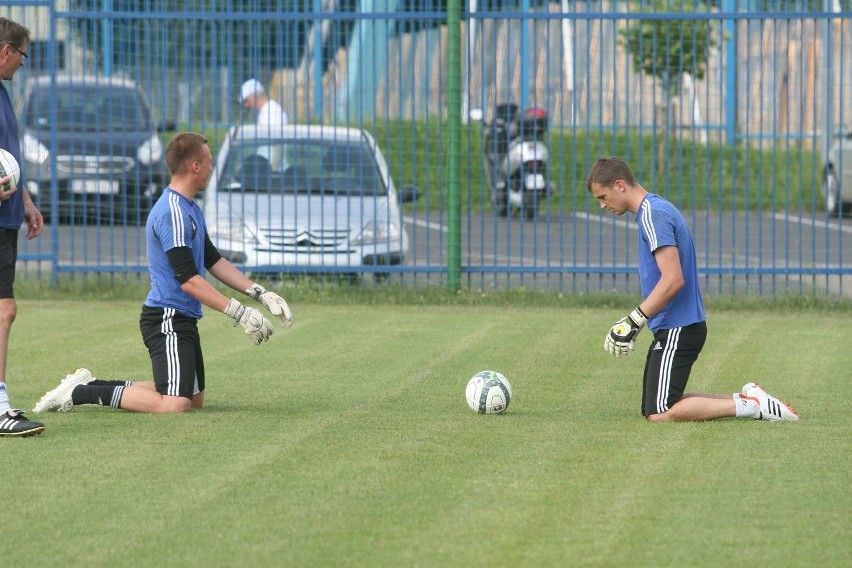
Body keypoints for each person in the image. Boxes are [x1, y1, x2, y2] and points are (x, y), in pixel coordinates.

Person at [33, 132, 294, 414]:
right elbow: (188, 280)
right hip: (166, 318)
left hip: (182, 318)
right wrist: (239, 313)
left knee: (193, 400)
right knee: (174, 404)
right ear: (195, 165)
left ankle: (89, 383)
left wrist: (259, 293)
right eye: (209, 162)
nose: (212, 168)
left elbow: (212, 260)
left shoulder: (189, 207)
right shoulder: (172, 211)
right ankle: (80, 392)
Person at [587, 156, 799, 422]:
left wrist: (634, 320)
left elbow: (673, 279)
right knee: (657, 404)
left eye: (603, 196)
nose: (602, 204)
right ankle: (747, 398)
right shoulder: (655, 208)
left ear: (619, 185)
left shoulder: (653, 214)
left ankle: (752, 407)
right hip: (679, 326)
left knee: (658, 413)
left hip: (679, 327)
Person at [0, 18, 46, 436]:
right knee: (4, 309)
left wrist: (27, 201)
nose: (22, 65)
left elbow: (8, 158)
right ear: (5, 51)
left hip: (7, 218)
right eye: (22, 55)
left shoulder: (3, 93)